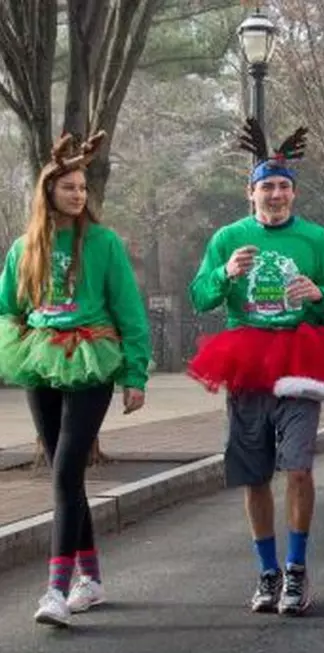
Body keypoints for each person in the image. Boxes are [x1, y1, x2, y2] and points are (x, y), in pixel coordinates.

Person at [187, 119, 324, 616]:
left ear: (293, 194)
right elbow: (199, 297)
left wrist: (319, 293)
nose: (276, 194)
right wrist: (225, 273)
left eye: (284, 187)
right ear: (251, 192)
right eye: (267, 187)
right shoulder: (228, 237)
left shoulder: (316, 239)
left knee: (298, 466)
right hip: (248, 363)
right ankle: (267, 571)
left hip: (300, 360)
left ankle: (297, 570)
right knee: (254, 473)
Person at [0, 131, 151, 626]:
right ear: (48, 192)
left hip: (91, 358)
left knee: (66, 471)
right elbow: (9, 307)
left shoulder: (104, 243)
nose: (79, 195)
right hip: (40, 357)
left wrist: (135, 374)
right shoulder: (25, 247)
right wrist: (23, 336)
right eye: (69, 188)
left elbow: (129, 310)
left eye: (84, 188)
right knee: (64, 474)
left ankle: (55, 591)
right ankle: (91, 580)